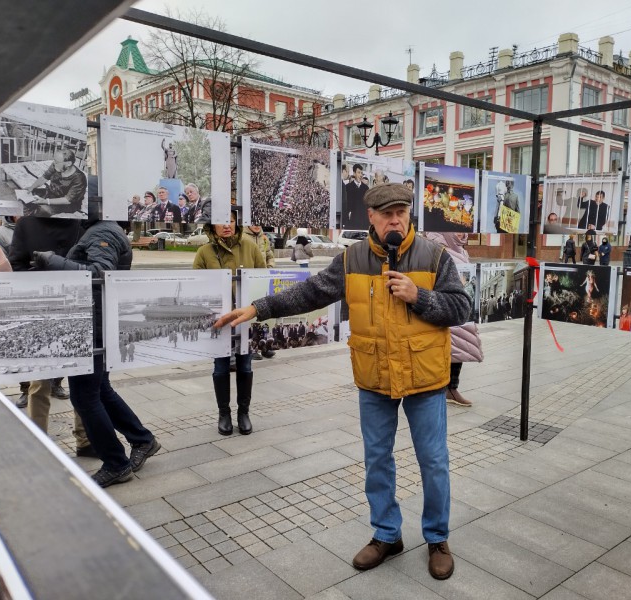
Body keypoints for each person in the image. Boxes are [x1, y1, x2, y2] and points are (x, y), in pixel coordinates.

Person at [213, 183, 469, 580]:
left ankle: (437, 538)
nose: (395, 220)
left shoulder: (434, 256)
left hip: (425, 378)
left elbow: (461, 307)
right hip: (374, 377)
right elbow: (310, 293)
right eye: (387, 214)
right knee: (377, 460)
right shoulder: (352, 259)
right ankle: (387, 534)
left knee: (433, 461)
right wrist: (259, 307)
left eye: (401, 212)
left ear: (409, 214)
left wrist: (418, 295)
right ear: (372, 217)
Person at [32, 198, 160, 488]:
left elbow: (100, 273)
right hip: (95, 321)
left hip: (93, 325)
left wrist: (53, 261)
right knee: (100, 391)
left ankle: (116, 464)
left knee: (84, 398)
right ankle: (143, 439)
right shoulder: (100, 228)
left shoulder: (103, 231)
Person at [193, 208, 265, 435]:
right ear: (212, 226)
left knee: (245, 365)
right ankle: (224, 413)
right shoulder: (204, 252)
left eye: (231, 221)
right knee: (220, 367)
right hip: (219, 322)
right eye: (222, 221)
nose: (227, 225)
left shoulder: (250, 247)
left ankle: (244, 412)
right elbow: (197, 287)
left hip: (244, 320)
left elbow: (262, 280)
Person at [10, 211, 82, 417]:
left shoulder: (80, 220)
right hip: (41, 303)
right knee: (39, 376)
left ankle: (83, 435)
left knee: (80, 374)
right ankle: (37, 429)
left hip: (76, 302)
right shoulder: (26, 223)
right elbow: (16, 263)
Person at [425, 232, 483, 408]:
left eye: (463, 229)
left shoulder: (459, 248)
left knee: (459, 350)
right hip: (447, 306)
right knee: (449, 349)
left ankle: (451, 388)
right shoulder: (436, 246)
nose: (461, 233)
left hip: (461, 306)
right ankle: (443, 390)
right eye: (456, 229)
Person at [23, 149, 87, 217]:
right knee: (27, 195)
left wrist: (46, 201)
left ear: (68, 163)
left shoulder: (79, 178)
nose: (54, 163)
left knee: (42, 210)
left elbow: (68, 200)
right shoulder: (56, 165)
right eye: (54, 160)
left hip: (67, 203)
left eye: (57, 162)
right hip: (51, 193)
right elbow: (44, 177)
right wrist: (32, 187)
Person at [344, 163, 369, 229]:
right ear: (354, 173)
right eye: (359, 172)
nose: (360, 175)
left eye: (361, 173)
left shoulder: (366, 188)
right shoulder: (347, 187)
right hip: (351, 221)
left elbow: (367, 205)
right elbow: (345, 204)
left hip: (363, 222)